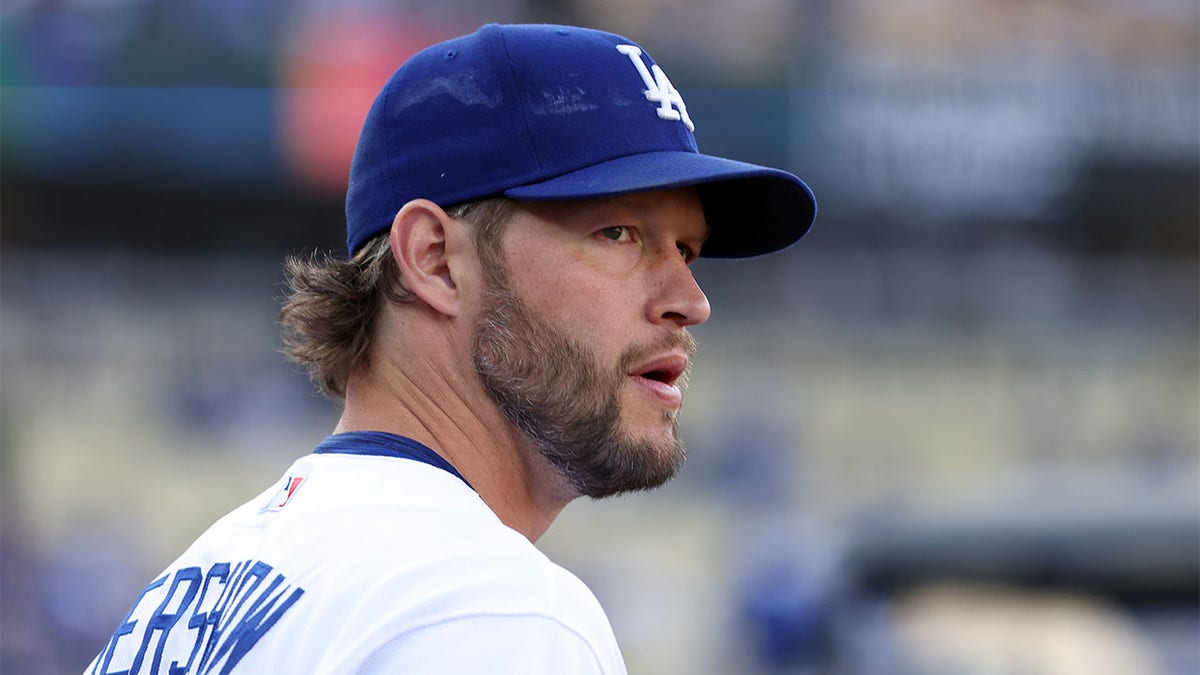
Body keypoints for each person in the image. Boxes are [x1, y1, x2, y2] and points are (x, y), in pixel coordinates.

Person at [85, 23, 816, 674]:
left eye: (688, 249)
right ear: (434, 259)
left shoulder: (181, 593)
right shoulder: (493, 611)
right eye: (620, 233)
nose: (691, 300)